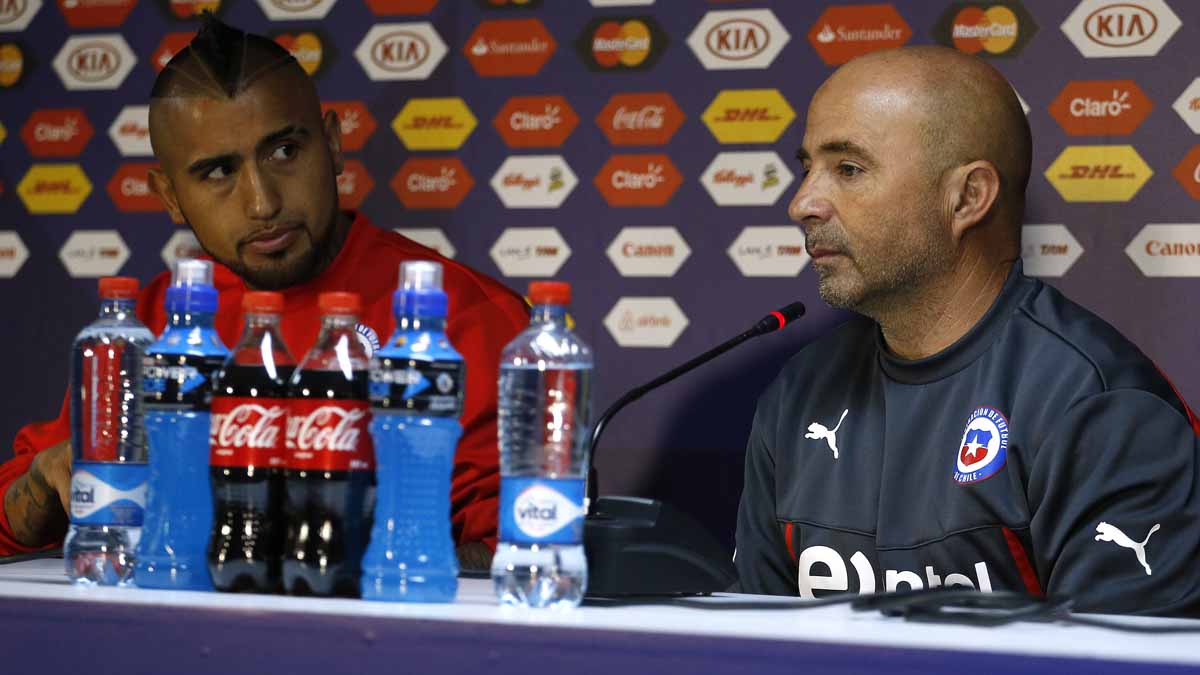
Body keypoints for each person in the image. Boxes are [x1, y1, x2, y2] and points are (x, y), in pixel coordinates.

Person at [0, 16, 529, 570]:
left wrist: (312, 561)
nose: (262, 203)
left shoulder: (469, 317)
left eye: (283, 152)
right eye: (218, 172)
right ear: (170, 196)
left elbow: (519, 551)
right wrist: (48, 481)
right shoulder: (153, 322)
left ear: (331, 144)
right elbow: (15, 518)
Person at [732, 45, 1200, 615]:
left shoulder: (1100, 406)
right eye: (807, 169)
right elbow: (754, 646)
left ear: (968, 197)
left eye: (848, 169)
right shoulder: (797, 393)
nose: (802, 202)